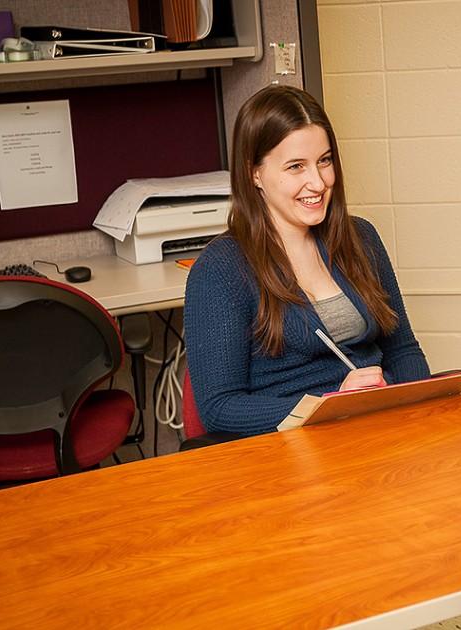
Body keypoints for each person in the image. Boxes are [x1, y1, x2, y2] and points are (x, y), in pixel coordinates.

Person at [184, 85, 430, 435]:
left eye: (324, 161)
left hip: (375, 431)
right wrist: (330, 404)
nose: (317, 182)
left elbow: (403, 349)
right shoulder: (220, 271)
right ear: (254, 172)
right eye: (296, 166)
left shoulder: (360, 238)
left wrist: (418, 417)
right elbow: (220, 408)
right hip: (290, 451)